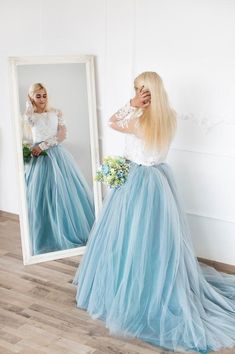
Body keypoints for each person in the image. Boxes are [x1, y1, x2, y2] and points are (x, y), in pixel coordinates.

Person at [73, 72, 235, 354]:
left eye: (142, 90)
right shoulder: (169, 116)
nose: (138, 94)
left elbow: (112, 121)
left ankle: (134, 290)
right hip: (159, 181)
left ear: (150, 93)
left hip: (138, 182)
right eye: (135, 89)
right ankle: (148, 279)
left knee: (130, 236)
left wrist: (131, 103)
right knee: (153, 239)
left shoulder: (139, 120)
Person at [23, 83, 95, 255]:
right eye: (38, 96)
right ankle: (46, 234)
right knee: (41, 195)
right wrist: (28, 105)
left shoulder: (56, 112)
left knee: (63, 192)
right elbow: (26, 125)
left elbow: (62, 135)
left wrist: (44, 146)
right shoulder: (30, 116)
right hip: (39, 159)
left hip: (55, 154)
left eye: (44, 95)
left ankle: (67, 230)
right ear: (32, 97)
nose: (42, 99)